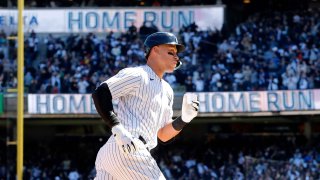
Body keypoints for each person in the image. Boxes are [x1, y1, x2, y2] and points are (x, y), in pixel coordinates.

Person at [92, 32, 200, 179]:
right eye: (171, 52)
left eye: (176, 54)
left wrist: (184, 118)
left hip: (116, 153)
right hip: (129, 148)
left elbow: (163, 135)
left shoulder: (167, 90)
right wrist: (117, 128)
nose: (177, 57)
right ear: (155, 50)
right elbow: (101, 93)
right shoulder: (138, 74)